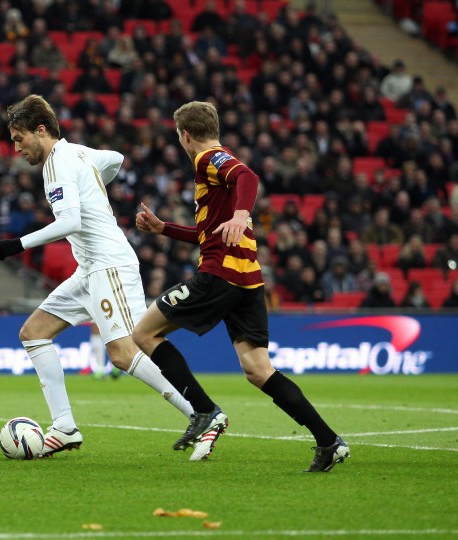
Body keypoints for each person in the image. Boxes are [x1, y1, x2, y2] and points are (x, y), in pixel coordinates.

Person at [131, 101, 349, 472]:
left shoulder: (208, 158)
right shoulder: (221, 162)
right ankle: (329, 442)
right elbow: (209, 232)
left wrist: (242, 214)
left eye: (179, 137)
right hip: (248, 279)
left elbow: (248, 176)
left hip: (220, 274)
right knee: (259, 370)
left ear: (186, 135)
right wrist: (164, 228)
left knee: (144, 333)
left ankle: (204, 411)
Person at [0, 95, 199, 459]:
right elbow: (115, 159)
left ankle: (200, 412)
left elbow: (71, 222)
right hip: (89, 268)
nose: (16, 148)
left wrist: (17, 244)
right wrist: (93, 185)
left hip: (109, 264)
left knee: (125, 353)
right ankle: (64, 427)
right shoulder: (78, 153)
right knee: (33, 333)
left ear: (41, 130)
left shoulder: (57, 164)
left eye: (19, 138)